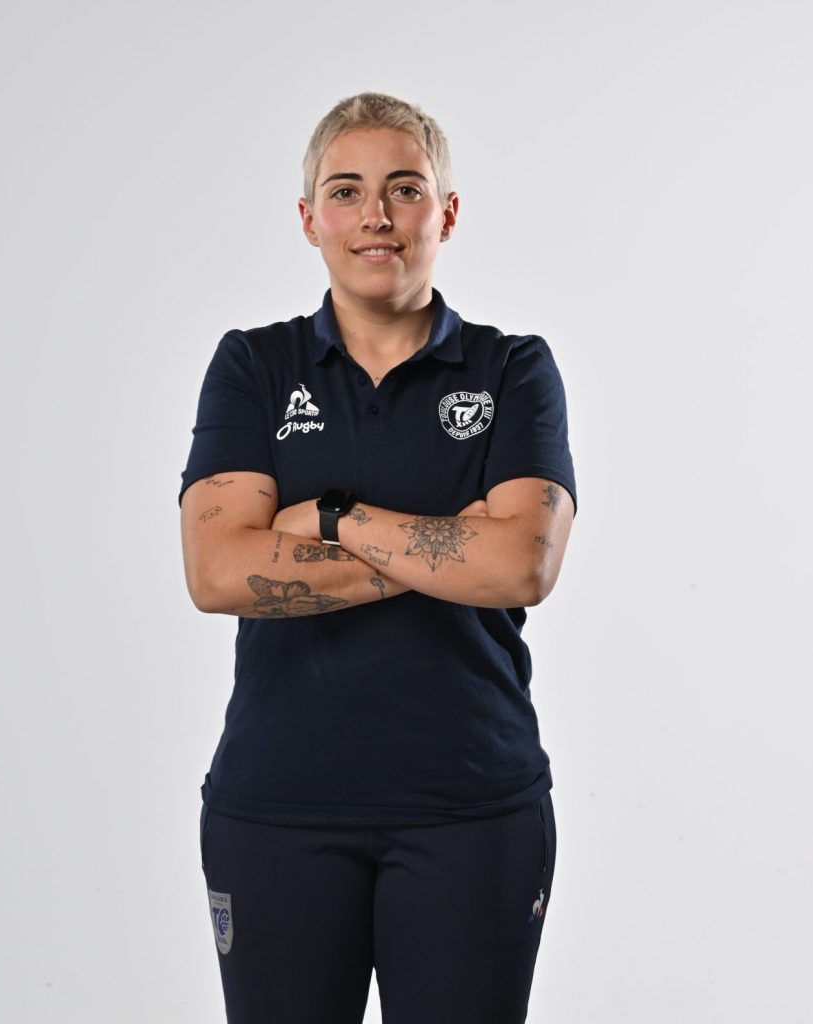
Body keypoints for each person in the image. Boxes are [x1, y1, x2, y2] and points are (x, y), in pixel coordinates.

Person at [178, 91, 578, 1024]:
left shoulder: (513, 369)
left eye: (404, 188)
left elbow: (519, 567)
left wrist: (331, 516)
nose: (376, 215)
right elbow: (217, 573)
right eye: (346, 191)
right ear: (309, 217)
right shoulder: (253, 367)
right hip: (276, 805)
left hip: (473, 805)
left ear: (445, 211)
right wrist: (450, 545)